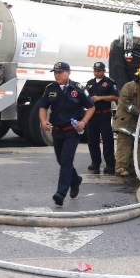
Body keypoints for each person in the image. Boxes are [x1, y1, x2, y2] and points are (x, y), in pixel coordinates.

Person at [38, 61, 95, 206]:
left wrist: (83, 121)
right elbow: (43, 107)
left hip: (72, 131)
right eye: (55, 73)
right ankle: (75, 180)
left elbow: (91, 107)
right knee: (61, 161)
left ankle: (61, 193)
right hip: (57, 131)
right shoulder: (50, 89)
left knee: (66, 160)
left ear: (68, 72)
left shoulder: (78, 88)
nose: (57, 75)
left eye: (60, 72)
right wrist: (43, 121)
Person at [113, 65, 140, 177]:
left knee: (139, 146)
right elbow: (125, 103)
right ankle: (121, 167)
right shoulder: (129, 87)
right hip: (126, 122)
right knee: (125, 146)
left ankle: (136, 167)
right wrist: (139, 112)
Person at [85, 61, 119, 174]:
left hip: (104, 115)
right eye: (95, 70)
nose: (96, 72)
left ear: (104, 71)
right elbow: (85, 96)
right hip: (92, 116)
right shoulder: (90, 83)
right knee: (92, 141)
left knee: (107, 140)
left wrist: (100, 98)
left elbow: (115, 97)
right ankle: (95, 163)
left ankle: (110, 164)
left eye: (99, 70)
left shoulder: (109, 83)